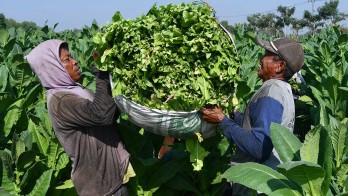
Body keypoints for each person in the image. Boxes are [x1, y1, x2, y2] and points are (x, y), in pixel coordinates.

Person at [26, 39, 135, 196]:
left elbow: (110, 114)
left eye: (72, 57)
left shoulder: (74, 91)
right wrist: (101, 71)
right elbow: (101, 114)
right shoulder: (61, 101)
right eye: (66, 59)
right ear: (52, 67)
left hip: (112, 179)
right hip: (101, 187)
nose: (75, 61)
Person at [200, 37, 304, 195]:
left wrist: (223, 121)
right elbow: (259, 128)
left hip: (255, 188)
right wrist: (234, 115)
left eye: (267, 54)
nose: (261, 58)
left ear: (280, 66)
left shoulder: (273, 90)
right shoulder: (283, 89)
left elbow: (259, 147)